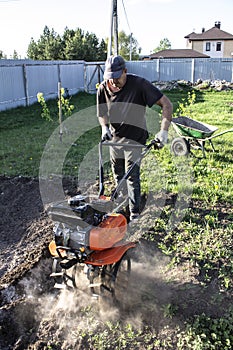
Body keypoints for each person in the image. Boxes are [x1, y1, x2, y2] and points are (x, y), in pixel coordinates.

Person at [96, 55, 173, 221]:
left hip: (135, 139)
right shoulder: (103, 88)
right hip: (114, 139)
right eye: (110, 78)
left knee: (131, 176)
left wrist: (164, 131)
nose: (113, 82)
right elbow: (102, 113)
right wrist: (104, 127)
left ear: (125, 71)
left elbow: (167, 104)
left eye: (116, 77)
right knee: (118, 174)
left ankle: (134, 213)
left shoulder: (139, 85)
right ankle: (122, 206)